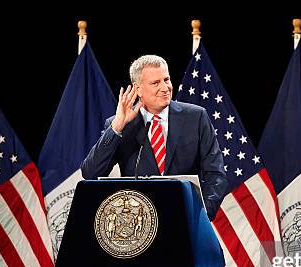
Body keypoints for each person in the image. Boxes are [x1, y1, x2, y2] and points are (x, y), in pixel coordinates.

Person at [81, 55, 227, 219]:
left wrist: (201, 215)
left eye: (166, 79)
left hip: (186, 219)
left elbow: (216, 174)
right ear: (137, 90)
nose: (165, 87)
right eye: (155, 83)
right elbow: (90, 173)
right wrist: (116, 128)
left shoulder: (196, 117)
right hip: (140, 225)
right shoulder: (120, 125)